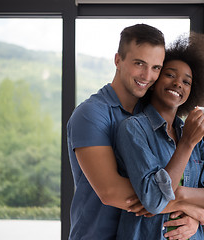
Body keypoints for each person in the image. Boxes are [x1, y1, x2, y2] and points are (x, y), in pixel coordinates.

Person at [114, 32, 204, 240]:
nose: (178, 83)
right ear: (155, 79)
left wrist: (182, 196)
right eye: (170, 74)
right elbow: (154, 199)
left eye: (187, 82)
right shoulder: (133, 129)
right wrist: (186, 144)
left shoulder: (194, 139)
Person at [67, 23, 167, 239]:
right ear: (118, 60)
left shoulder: (153, 115)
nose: (147, 75)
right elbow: (111, 192)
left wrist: (192, 212)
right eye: (139, 63)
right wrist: (189, 204)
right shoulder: (90, 114)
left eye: (156, 68)